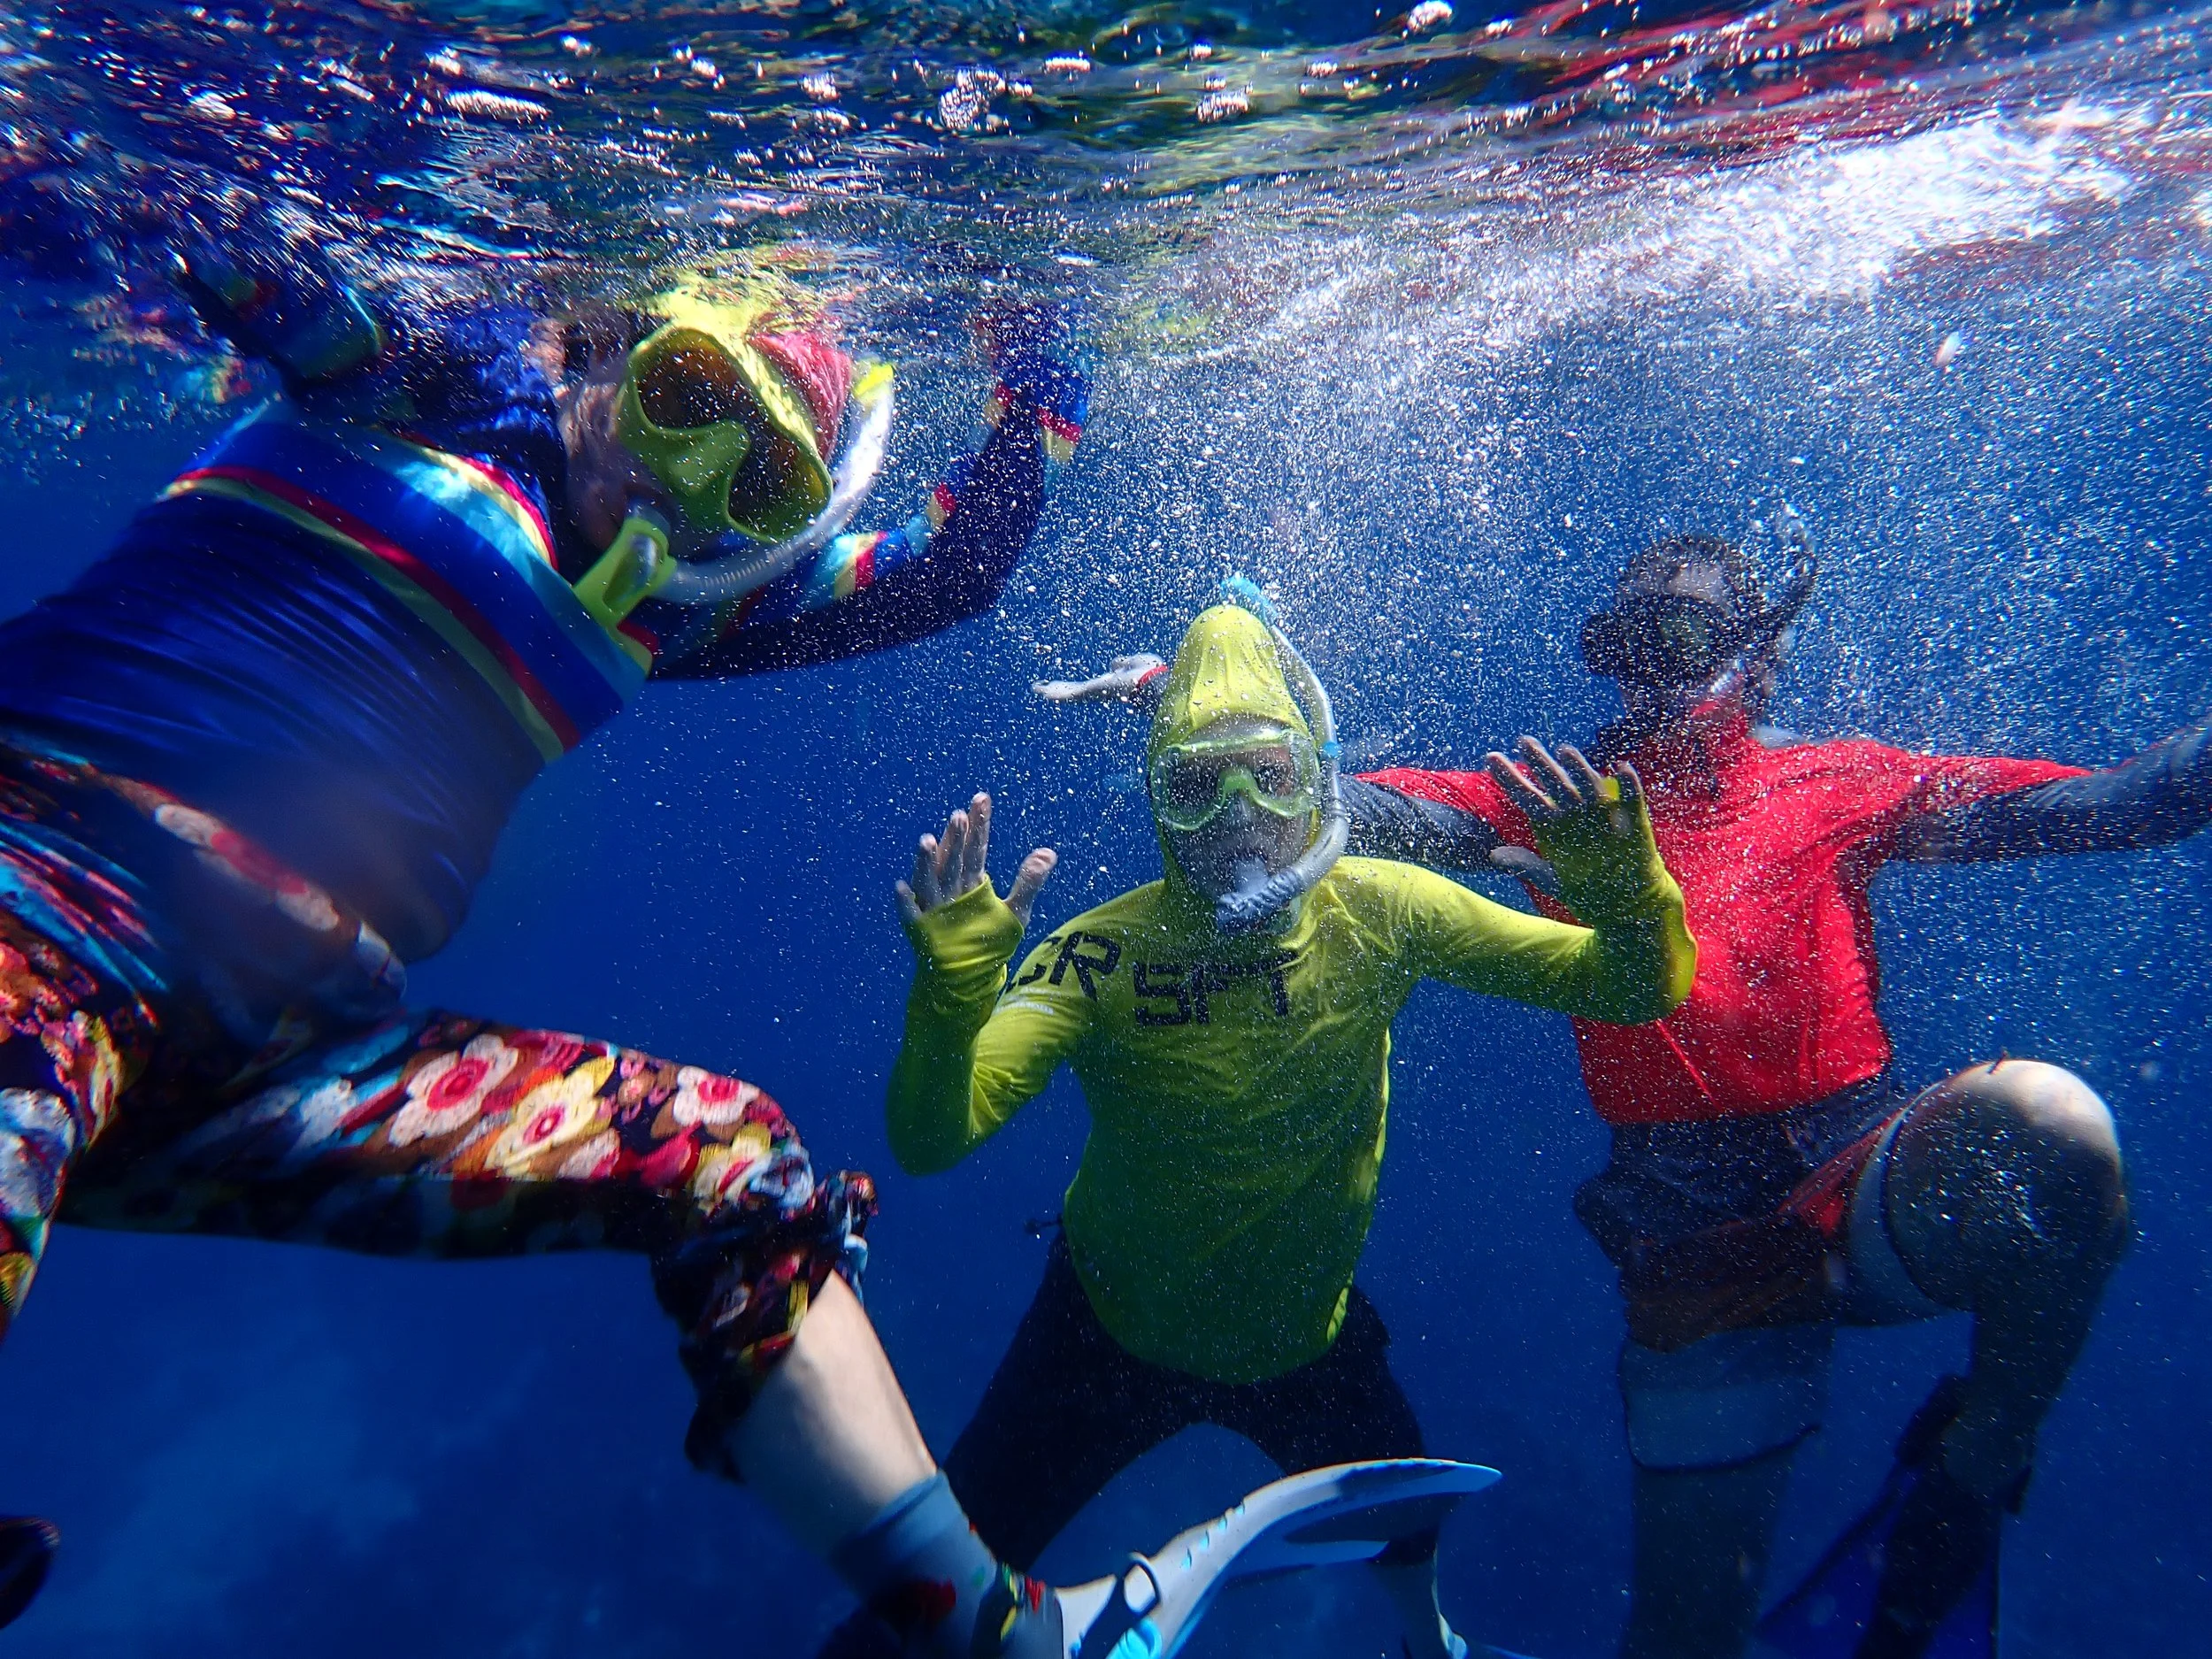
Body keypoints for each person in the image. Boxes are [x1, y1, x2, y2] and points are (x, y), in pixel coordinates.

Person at [0, 223, 1412, 1658]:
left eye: (764, 477)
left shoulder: (688, 602)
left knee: (734, 1163)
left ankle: (1002, 1633)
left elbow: (953, 571)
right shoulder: (427, 377)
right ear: (603, 345)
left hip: (266, 1066)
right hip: (40, 905)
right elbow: (229, 246)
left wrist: (1041, 363)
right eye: (689, 399)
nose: (696, 482)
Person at [879, 597, 1697, 1659]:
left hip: (1301, 1340)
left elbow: (1633, 989)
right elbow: (931, 1141)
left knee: (1408, 1523)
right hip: (1100, 1334)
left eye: (1269, 776)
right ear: (1155, 802)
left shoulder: (1385, 908)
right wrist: (950, 999)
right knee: (927, 1597)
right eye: (1195, 787)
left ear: (1320, 781)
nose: (1239, 817)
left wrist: (1631, 900)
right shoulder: (1095, 957)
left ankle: (1429, 1641)